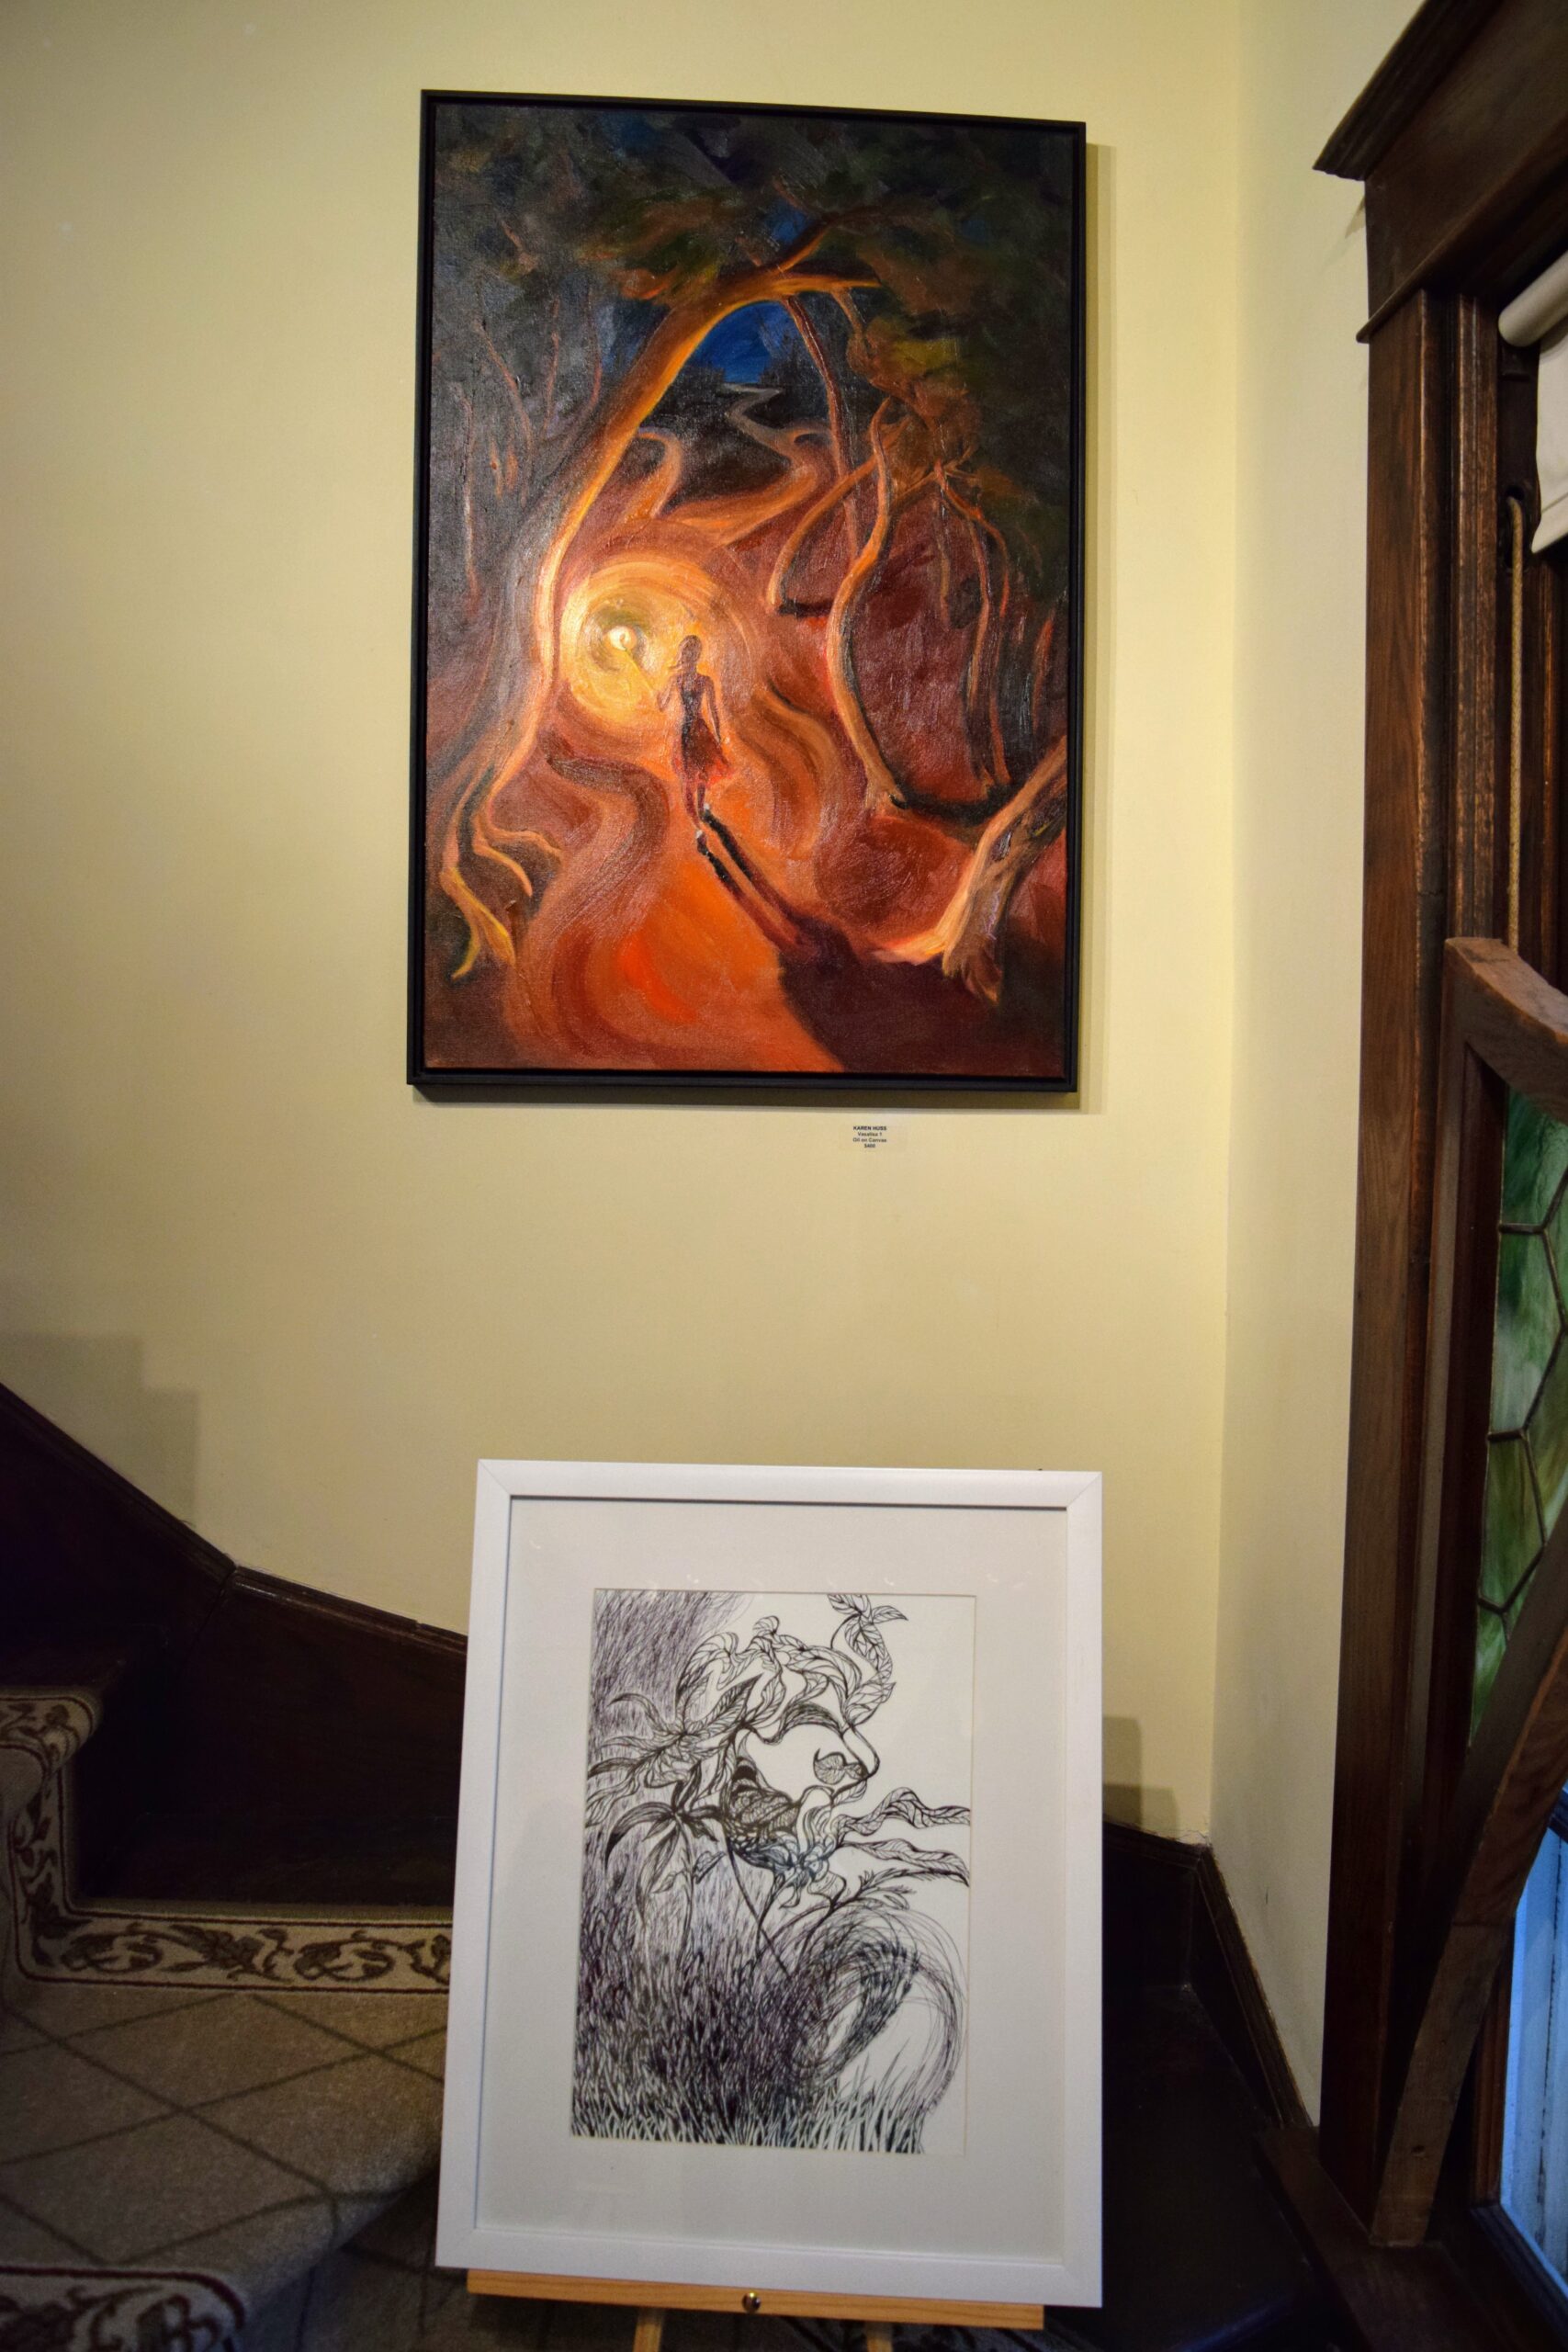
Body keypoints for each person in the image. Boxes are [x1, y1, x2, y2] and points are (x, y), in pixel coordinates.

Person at [660, 635, 728, 824]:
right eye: (686, 655)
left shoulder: (700, 681)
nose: (688, 659)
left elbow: (713, 710)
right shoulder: (681, 680)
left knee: (700, 772)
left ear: (696, 656)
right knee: (689, 776)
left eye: (690, 655)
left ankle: (699, 814)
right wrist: (659, 697)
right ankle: (696, 820)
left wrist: (718, 734)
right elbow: (662, 705)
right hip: (687, 731)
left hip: (696, 730)